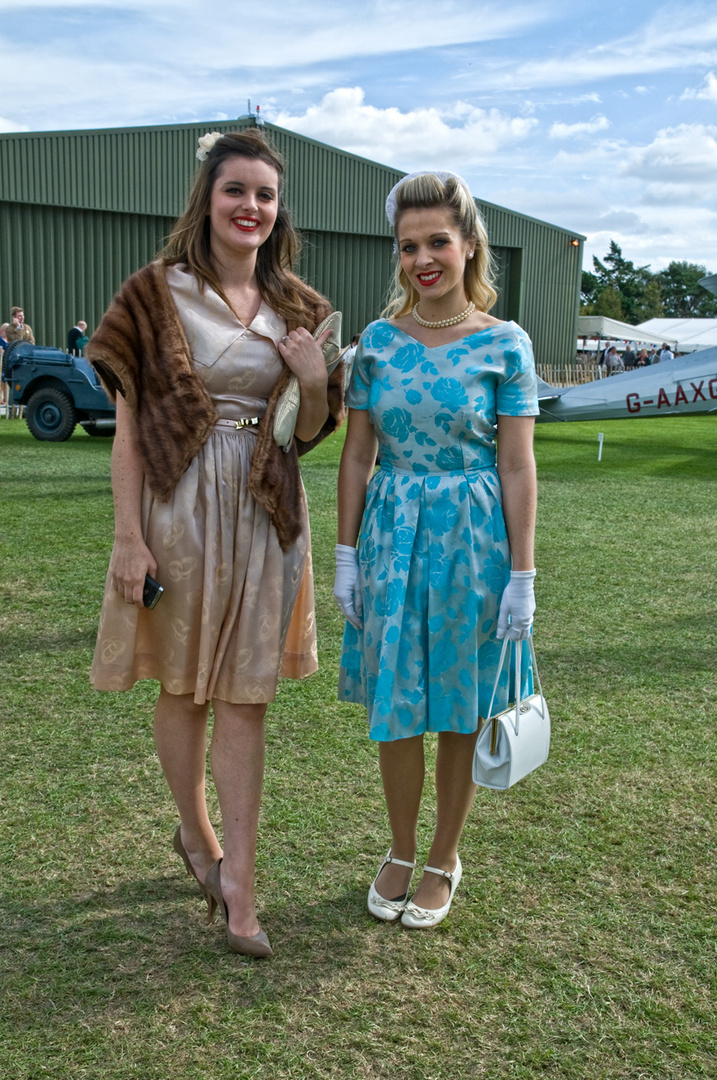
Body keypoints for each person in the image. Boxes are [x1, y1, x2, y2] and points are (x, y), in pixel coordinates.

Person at [86, 129, 344, 958]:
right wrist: (128, 538)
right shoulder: (153, 294)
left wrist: (310, 381)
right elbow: (128, 430)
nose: (252, 207)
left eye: (266, 195)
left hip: (267, 513)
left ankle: (240, 885)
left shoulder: (302, 309)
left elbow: (307, 435)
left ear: (279, 209)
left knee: (245, 697)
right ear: (208, 198)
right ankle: (197, 837)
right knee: (184, 688)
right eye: (237, 190)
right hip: (179, 509)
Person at [334, 171, 538, 929]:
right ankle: (396, 848)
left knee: (455, 705)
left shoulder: (503, 343)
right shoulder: (378, 345)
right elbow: (356, 454)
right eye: (408, 245)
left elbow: (516, 463)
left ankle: (444, 855)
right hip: (391, 534)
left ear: (468, 246)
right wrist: (346, 554)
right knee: (396, 702)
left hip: (472, 539)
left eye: (437, 242)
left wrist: (522, 572)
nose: (422, 258)